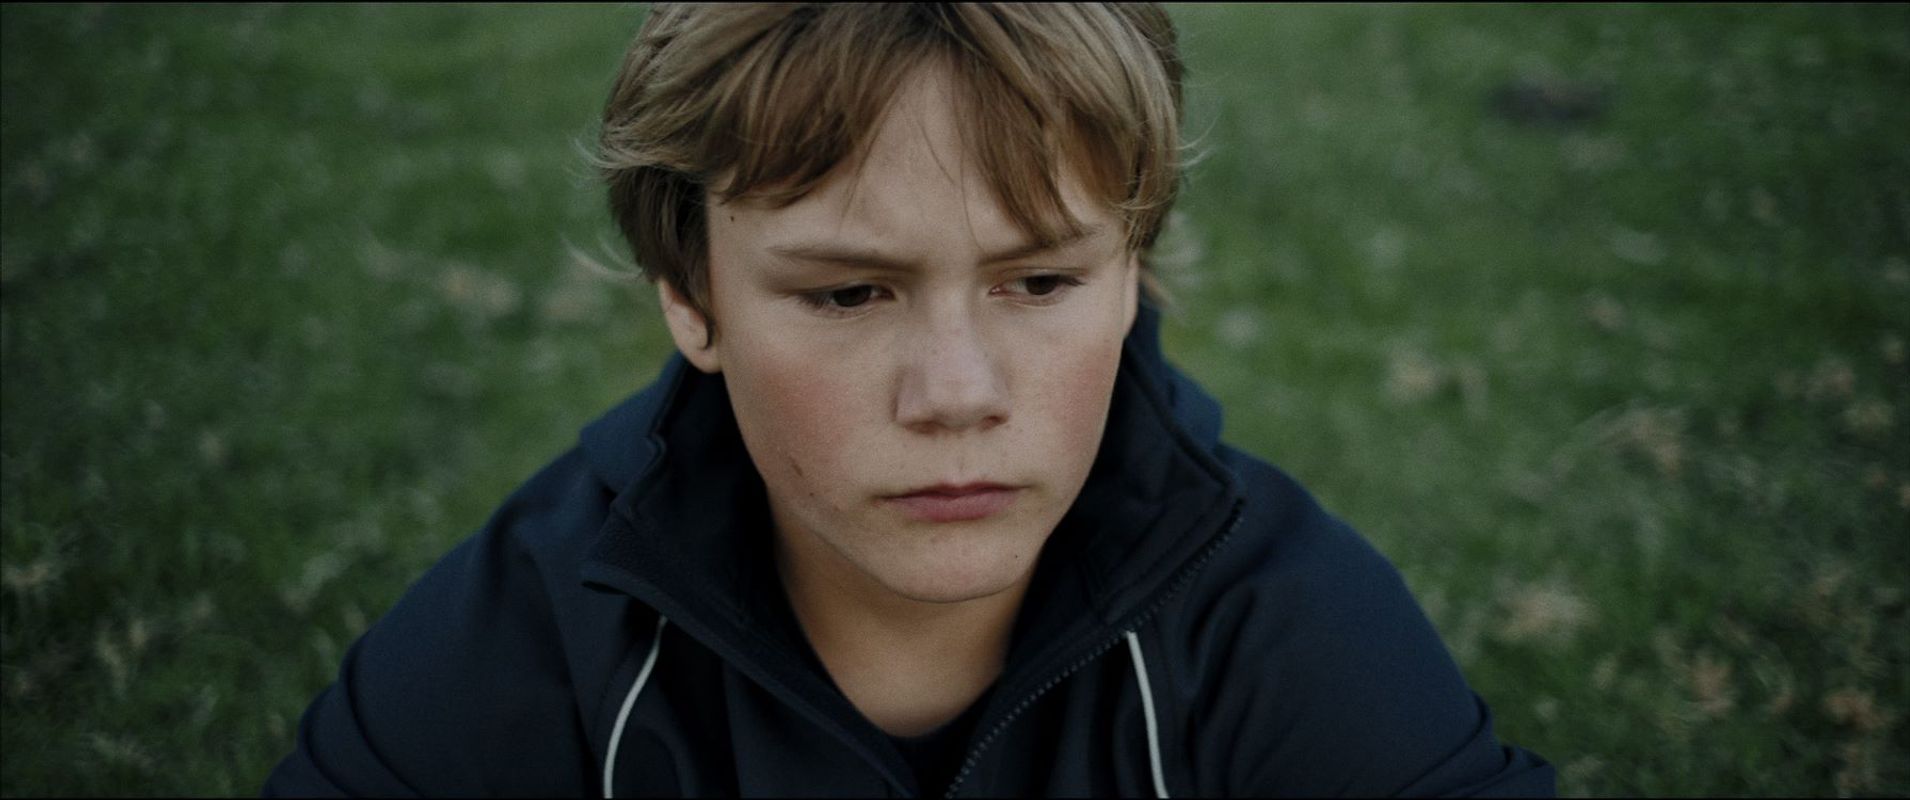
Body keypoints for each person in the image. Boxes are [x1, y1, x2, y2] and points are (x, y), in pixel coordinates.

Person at [265, 4, 1554, 796]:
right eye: (848, 294)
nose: (958, 394)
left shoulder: (1284, 634)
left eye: (1038, 281)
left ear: (1133, 277)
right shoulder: (530, 646)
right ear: (691, 297)